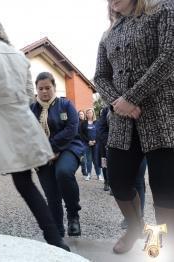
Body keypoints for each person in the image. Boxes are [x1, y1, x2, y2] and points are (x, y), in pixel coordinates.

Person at [0, 18, 69, 251]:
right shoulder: (20, 57)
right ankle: (55, 239)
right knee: (25, 183)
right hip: (21, 123)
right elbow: (27, 95)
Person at [94, 0, 174, 255]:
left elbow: (169, 57)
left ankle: (157, 240)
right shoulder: (109, 35)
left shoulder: (164, 9)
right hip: (122, 122)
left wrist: (131, 98)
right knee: (118, 180)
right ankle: (134, 227)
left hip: (161, 115)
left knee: (164, 186)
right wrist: (119, 105)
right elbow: (99, 77)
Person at [31, 72, 84, 237]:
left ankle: (73, 215)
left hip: (68, 148)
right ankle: (58, 233)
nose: (44, 91)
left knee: (63, 172)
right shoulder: (32, 109)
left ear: (54, 87)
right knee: (51, 194)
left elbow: (71, 129)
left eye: (48, 87)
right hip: (42, 155)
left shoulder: (66, 105)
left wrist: (52, 148)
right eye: (41, 88)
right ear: (36, 90)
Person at [80, 108, 102, 181]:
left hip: (96, 144)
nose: (89, 114)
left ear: (93, 113)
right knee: (88, 159)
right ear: (86, 114)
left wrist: (95, 141)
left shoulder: (97, 122)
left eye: (90, 112)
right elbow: (81, 134)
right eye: (88, 113)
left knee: (96, 159)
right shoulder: (83, 123)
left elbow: (99, 133)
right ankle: (88, 174)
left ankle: (99, 174)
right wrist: (88, 141)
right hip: (87, 144)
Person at [78, 110, 88, 178]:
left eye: (82, 114)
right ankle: (84, 172)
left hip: (86, 142)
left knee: (84, 158)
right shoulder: (76, 122)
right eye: (80, 114)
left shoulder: (86, 122)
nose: (81, 115)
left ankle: (85, 171)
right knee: (83, 158)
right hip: (79, 142)